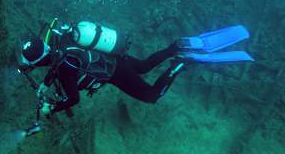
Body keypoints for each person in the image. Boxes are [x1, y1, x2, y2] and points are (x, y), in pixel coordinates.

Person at [19, 22, 253, 116]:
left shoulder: (64, 69)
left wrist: (52, 107)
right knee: (143, 66)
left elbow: (73, 99)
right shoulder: (60, 40)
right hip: (114, 56)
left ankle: (180, 63)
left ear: (38, 60)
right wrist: (45, 84)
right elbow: (56, 62)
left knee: (151, 96)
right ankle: (175, 47)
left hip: (113, 72)